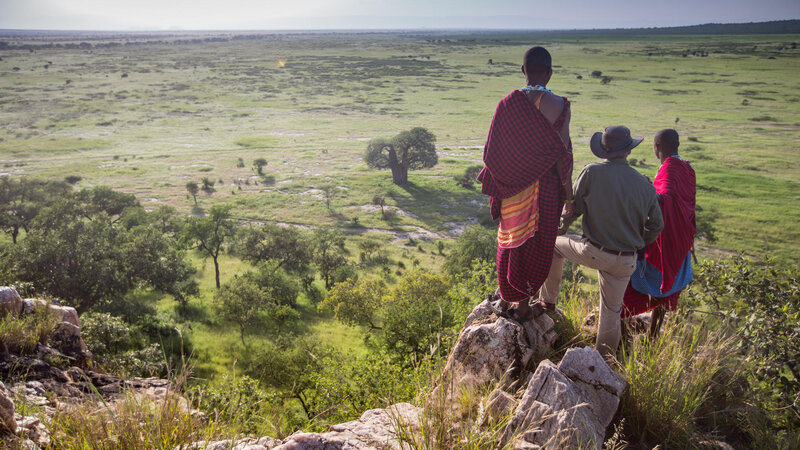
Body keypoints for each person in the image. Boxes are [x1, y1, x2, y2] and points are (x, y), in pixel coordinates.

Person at [538, 126, 664, 357]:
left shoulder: (592, 172)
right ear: (628, 151)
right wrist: (637, 242)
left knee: (555, 245)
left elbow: (574, 209)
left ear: (604, 150)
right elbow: (657, 225)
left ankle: (548, 303)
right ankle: (601, 365)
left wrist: (560, 227)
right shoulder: (645, 184)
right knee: (611, 313)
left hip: (594, 251)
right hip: (625, 260)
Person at [477, 46, 573, 322]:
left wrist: (508, 179)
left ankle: (509, 302)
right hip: (546, 189)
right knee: (538, 244)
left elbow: (491, 154)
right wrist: (569, 197)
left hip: (512, 190)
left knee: (511, 241)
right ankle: (523, 304)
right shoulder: (561, 106)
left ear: (523, 71)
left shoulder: (506, 103)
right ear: (550, 73)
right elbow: (562, 156)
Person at [621, 129, 696, 337]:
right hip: (681, 240)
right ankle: (652, 334)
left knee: (627, 284)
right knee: (668, 289)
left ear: (657, 147)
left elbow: (664, 200)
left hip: (665, 240)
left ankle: (622, 333)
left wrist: (646, 187)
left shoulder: (670, 169)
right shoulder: (687, 168)